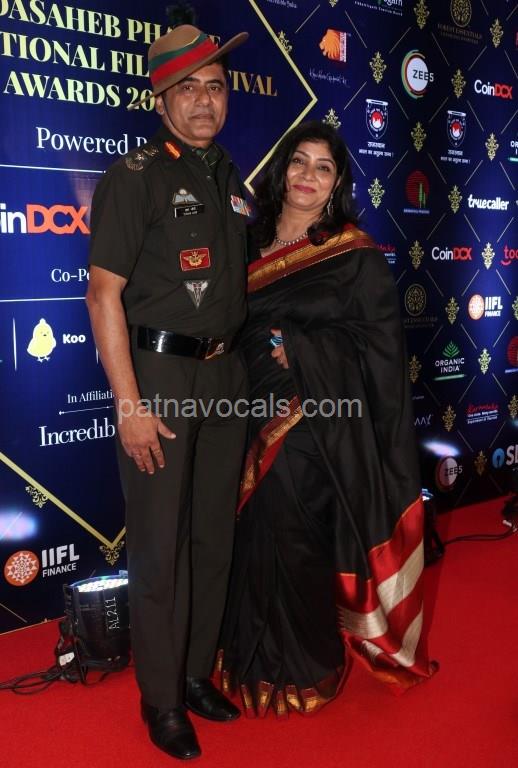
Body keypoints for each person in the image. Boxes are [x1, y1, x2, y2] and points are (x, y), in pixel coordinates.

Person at [217, 121, 437, 718]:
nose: (307, 176)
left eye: (323, 167)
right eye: (299, 161)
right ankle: (245, 659)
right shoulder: (245, 242)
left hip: (313, 421)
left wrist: (306, 350)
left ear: (338, 183)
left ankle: (305, 668)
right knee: (247, 535)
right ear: (281, 169)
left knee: (292, 536)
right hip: (239, 412)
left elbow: (380, 347)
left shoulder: (352, 254)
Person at [86, 24, 250, 760]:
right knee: (160, 546)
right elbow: (102, 295)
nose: (204, 101)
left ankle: (193, 673)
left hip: (225, 375)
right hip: (160, 378)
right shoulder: (136, 175)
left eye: (215, 86)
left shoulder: (230, 178)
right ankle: (161, 700)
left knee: (213, 537)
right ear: (161, 100)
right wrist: (130, 404)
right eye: (188, 89)